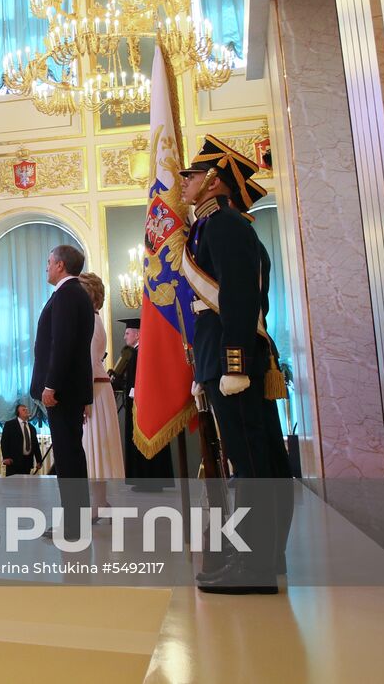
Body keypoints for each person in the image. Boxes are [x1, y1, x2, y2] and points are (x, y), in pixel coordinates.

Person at [179, 135, 293, 594]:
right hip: (224, 358)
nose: (184, 182)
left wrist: (234, 363)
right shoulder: (213, 226)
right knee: (257, 462)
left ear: (212, 179)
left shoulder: (224, 225)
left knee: (251, 466)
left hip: (235, 361)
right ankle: (267, 557)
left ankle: (255, 567)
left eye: (191, 175)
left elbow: (240, 298)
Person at [28, 244, 94, 541]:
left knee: (68, 459)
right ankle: (76, 520)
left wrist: (50, 384)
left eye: (48, 262)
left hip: (62, 390)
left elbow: (64, 345)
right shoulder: (76, 295)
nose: (46, 267)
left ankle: (73, 525)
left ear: (60, 266)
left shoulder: (67, 296)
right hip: (71, 389)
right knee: (70, 456)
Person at [78, 272, 125, 517]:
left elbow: (87, 361)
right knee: (95, 449)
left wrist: (84, 398)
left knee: (93, 450)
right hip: (96, 387)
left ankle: (96, 507)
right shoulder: (95, 320)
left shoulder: (91, 323)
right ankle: (98, 504)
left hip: (93, 389)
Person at [113, 319, 174, 487]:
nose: (125, 337)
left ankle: (146, 481)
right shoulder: (141, 352)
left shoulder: (138, 354)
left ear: (138, 334)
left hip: (142, 407)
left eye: (127, 333)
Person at [0, 404, 43, 475]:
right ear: (18, 413)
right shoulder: (10, 425)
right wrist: (5, 457)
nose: (26, 411)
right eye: (23, 410)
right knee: (13, 485)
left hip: (27, 462)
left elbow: (35, 445)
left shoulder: (32, 428)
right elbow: (4, 442)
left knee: (26, 485)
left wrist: (39, 460)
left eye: (26, 409)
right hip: (13, 462)